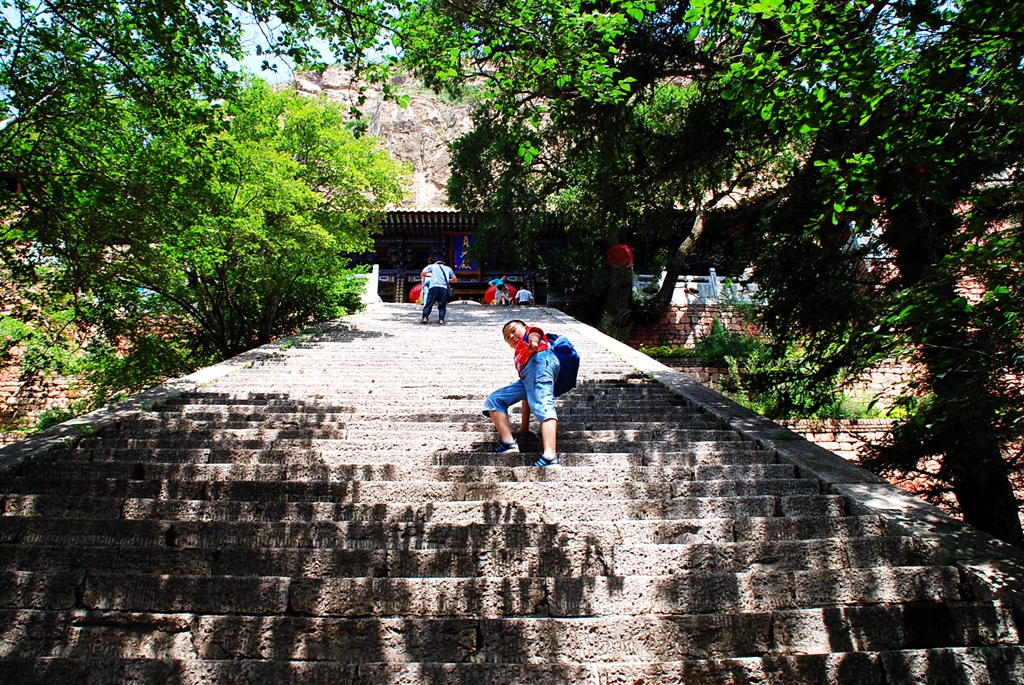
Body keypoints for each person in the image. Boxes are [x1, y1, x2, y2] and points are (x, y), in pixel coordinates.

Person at [482, 319, 561, 467]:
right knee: (494, 400)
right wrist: (524, 427)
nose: (511, 336)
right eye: (507, 337)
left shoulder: (530, 336)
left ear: (524, 328)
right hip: (528, 375)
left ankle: (550, 456)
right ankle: (509, 442)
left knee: (543, 404)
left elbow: (534, 334)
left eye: (513, 330)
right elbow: (527, 395)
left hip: (541, 363)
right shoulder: (518, 356)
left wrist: (534, 341)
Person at [421, 259, 457, 324]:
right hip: (443, 288)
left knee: (429, 303)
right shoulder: (448, 268)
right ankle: (441, 320)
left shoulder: (432, 266)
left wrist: (430, 276)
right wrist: (447, 280)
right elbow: (455, 280)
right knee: (442, 305)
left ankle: (425, 318)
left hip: (433, 287)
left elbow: (422, 274)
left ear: (436, 263)